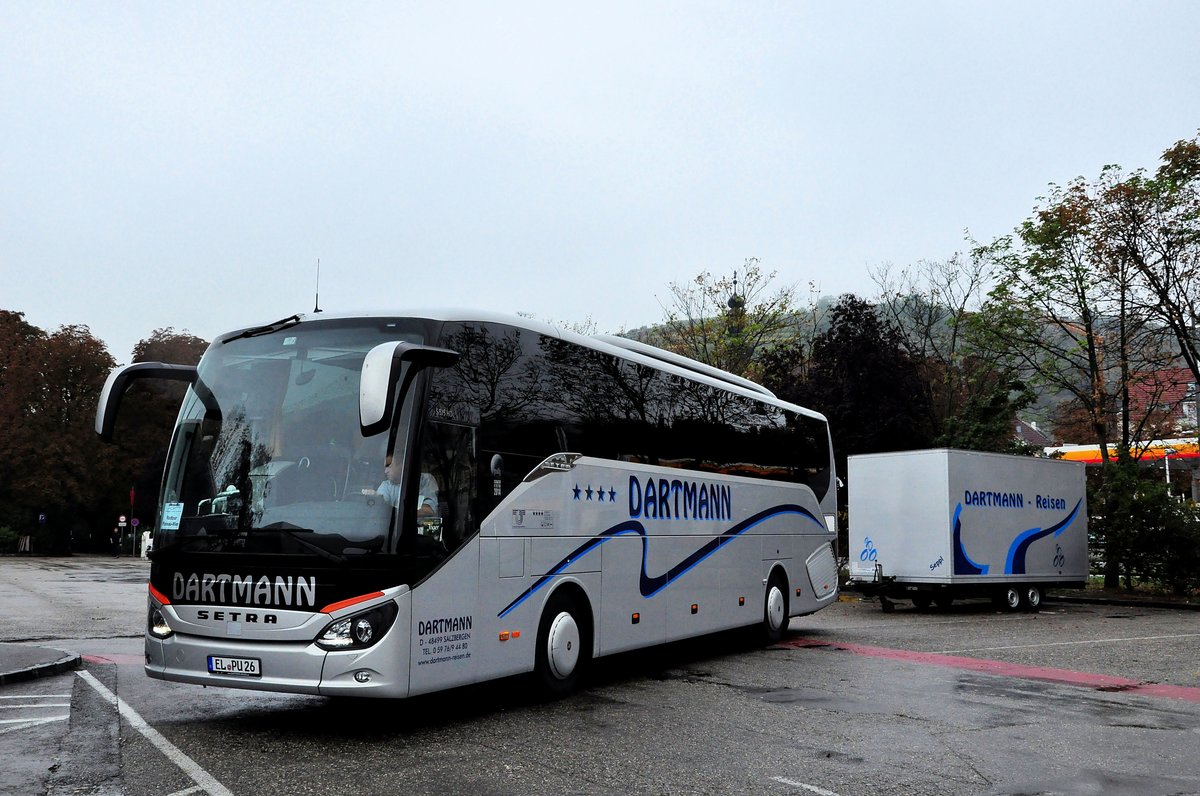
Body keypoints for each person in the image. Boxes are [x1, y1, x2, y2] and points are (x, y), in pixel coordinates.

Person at [363, 456, 438, 516]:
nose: (385, 471)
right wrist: (376, 498)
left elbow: (429, 510)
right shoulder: (386, 485)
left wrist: (396, 512)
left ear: (402, 465)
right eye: (385, 467)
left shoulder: (425, 480)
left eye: (389, 466)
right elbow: (382, 510)